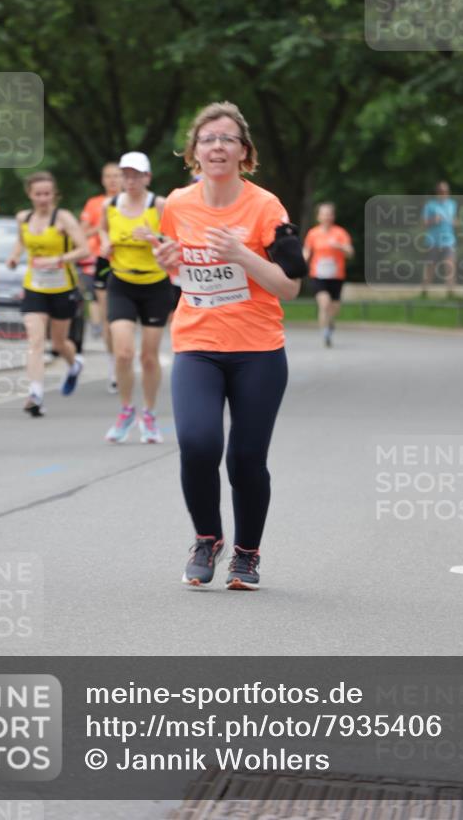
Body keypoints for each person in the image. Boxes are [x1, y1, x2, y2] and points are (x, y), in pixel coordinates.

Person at [155, 101, 306, 590]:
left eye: (227, 139)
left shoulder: (266, 207)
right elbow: (181, 276)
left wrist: (242, 254)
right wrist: (169, 264)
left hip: (258, 350)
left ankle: (246, 554)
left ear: (245, 152)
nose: (217, 146)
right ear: (194, 152)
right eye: (208, 139)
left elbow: (290, 286)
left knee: (245, 459)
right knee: (198, 443)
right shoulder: (177, 205)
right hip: (196, 344)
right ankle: (207, 538)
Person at [100, 152, 171, 444]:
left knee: (149, 357)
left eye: (136, 175)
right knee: (124, 353)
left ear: (147, 178)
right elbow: (103, 232)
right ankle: (127, 409)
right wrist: (105, 244)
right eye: (126, 175)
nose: (130, 181)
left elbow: (176, 240)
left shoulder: (159, 205)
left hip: (155, 285)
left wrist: (154, 237)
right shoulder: (110, 205)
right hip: (121, 283)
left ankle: (149, 414)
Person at [6, 171, 88, 416]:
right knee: (35, 340)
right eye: (38, 194)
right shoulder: (23, 218)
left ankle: (74, 364)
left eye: (47, 194)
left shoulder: (63, 218)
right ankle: (35, 394)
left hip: (63, 288)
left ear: (54, 195)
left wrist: (58, 259)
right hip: (35, 287)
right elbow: (22, 241)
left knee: (59, 343)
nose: (43, 199)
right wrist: (14, 256)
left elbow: (84, 249)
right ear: (30, 195)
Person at [79, 163, 122, 391]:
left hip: (129, 261)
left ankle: (124, 355)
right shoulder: (95, 204)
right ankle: (113, 366)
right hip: (103, 261)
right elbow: (81, 233)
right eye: (108, 176)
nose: (113, 180)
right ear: (103, 180)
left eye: (117, 176)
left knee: (125, 317)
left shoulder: (133, 202)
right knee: (108, 317)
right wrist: (99, 228)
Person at [303, 202, 354, 347]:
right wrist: (301, 262)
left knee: (334, 308)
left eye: (329, 214)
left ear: (333, 216)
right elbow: (307, 250)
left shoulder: (340, 233)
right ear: (318, 217)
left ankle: (330, 323)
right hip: (318, 275)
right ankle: (325, 332)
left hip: (336, 276)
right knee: (324, 304)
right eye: (324, 214)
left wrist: (339, 246)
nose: (326, 217)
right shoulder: (313, 233)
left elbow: (350, 253)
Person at [422, 181, 457, 289]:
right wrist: (434, 220)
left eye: (446, 191)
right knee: (430, 266)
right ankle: (425, 290)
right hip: (433, 241)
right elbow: (424, 223)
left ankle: (451, 291)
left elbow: (455, 220)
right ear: (437, 192)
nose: (444, 193)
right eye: (441, 191)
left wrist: (455, 222)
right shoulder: (430, 205)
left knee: (450, 265)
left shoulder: (452, 204)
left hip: (448, 240)